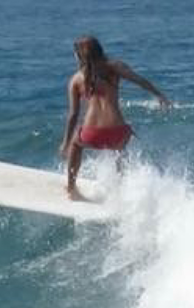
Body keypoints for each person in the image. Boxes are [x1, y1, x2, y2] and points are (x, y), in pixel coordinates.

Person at [59, 36, 170, 200]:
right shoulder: (115, 67)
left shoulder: (76, 80)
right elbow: (139, 80)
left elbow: (73, 115)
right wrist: (159, 95)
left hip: (91, 135)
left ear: (79, 56)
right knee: (120, 149)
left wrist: (65, 143)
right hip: (118, 134)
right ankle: (120, 188)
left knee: (76, 144)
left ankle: (71, 188)